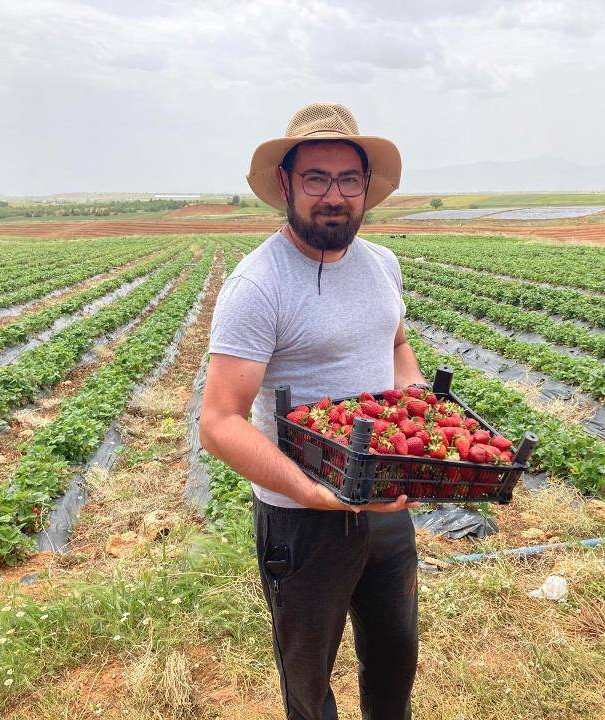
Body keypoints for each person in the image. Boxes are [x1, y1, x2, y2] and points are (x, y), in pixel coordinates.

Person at [200, 102, 426, 720]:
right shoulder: (259, 286)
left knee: (394, 656)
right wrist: (316, 492)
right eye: (316, 179)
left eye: (348, 179)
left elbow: (397, 345)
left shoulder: (383, 265)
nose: (335, 196)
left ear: (366, 188)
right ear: (286, 185)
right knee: (308, 682)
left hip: (384, 502)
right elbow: (218, 422)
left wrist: (416, 411)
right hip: (303, 522)